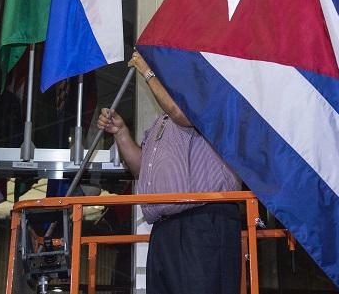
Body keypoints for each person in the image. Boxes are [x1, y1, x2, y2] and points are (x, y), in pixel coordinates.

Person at [97, 50, 242, 294]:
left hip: (202, 222)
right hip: (166, 228)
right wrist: (120, 133)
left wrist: (147, 70)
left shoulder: (209, 97)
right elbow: (142, 170)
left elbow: (182, 114)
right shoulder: (160, 122)